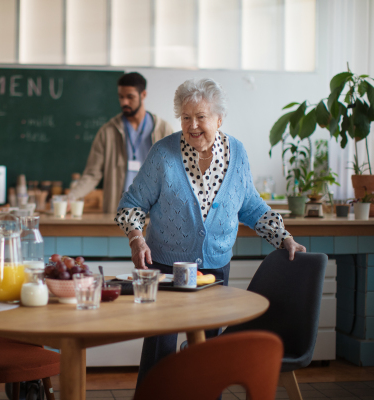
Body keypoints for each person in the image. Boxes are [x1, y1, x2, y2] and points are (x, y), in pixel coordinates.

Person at [114, 78, 306, 387]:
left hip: (215, 268)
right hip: (165, 266)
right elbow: (132, 203)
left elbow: (251, 206)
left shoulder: (237, 153)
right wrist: (136, 238)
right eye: (186, 117)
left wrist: (283, 237)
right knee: (161, 347)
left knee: (210, 351)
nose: (192, 125)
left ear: (219, 118)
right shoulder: (163, 153)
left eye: (201, 117)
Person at [69, 72, 174, 213]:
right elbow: (92, 175)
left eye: (130, 97)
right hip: (120, 213)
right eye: (121, 97)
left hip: (154, 213)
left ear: (143, 95)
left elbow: (175, 173)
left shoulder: (163, 130)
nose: (124, 102)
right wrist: (71, 197)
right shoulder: (107, 132)